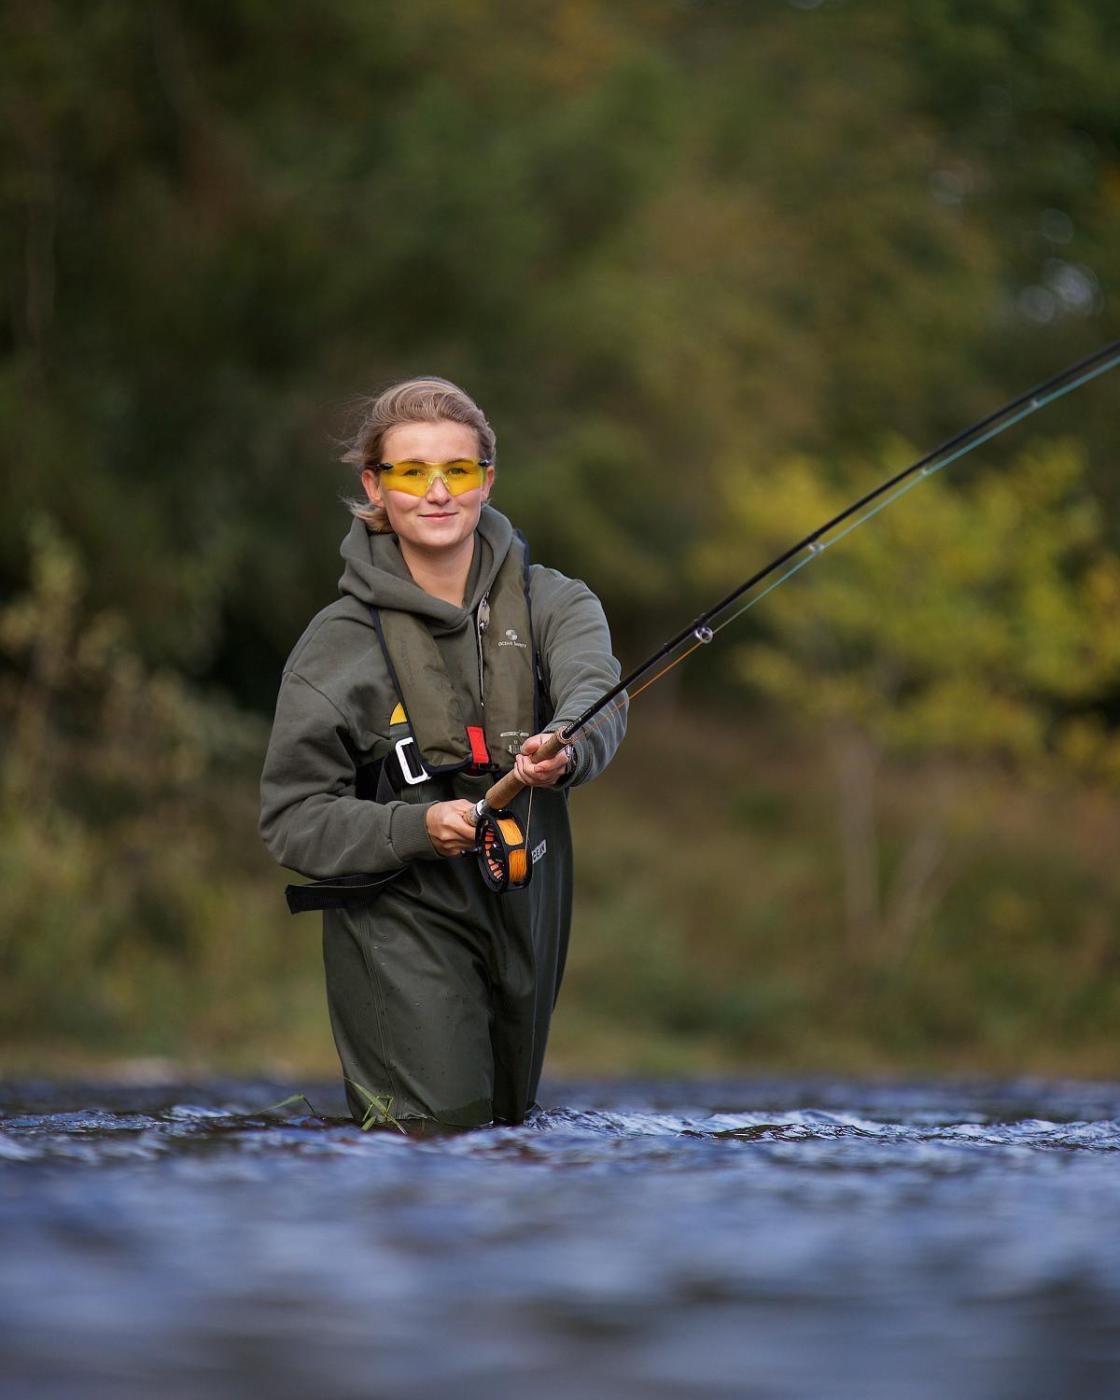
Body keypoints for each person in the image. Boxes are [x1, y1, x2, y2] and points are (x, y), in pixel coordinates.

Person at [259, 377, 626, 1132]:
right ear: (375, 485)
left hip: (527, 895)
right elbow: (292, 820)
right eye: (411, 471)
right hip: (397, 913)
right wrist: (417, 827)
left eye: (457, 470)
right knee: (434, 1137)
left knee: (508, 1138)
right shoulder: (334, 646)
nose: (436, 492)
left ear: (486, 480)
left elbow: (598, 689)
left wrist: (567, 744)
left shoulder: (558, 603)